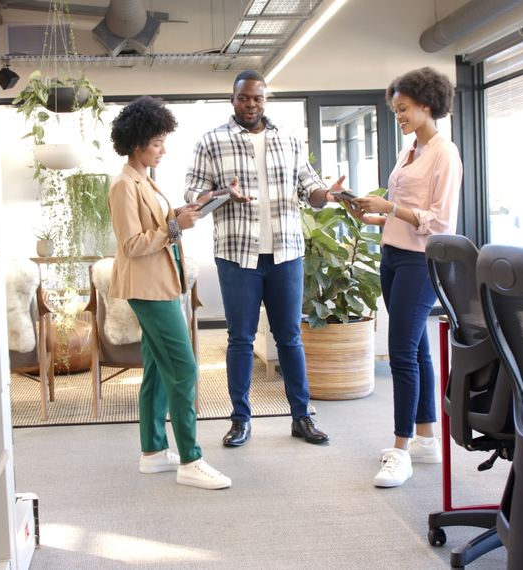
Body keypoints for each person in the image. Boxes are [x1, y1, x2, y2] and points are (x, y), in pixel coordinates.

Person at [185, 70, 346, 448]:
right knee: (239, 339)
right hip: (237, 256)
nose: (251, 104)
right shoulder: (212, 142)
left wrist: (328, 194)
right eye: (244, 98)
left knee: (289, 337)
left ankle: (301, 417)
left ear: (265, 100)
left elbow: (311, 191)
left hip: (286, 253)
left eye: (257, 98)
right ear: (233, 99)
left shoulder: (288, 140)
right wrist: (225, 193)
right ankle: (240, 419)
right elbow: (193, 195)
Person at [344, 67, 462, 488]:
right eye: (395, 111)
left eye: (404, 109)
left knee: (401, 353)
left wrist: (390, 208)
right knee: (417, 351)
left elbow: (441, 221)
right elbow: (402, 211)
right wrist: (373, 213)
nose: (400, 117)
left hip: (419, 261)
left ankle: (400, 449)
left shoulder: (444, 153)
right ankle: (426, 438)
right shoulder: (409, 150)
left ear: (427, 104)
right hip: (393, 255)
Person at [108, 96, 231, 490]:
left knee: (159, 371)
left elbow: (159, 223)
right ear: (137, 141)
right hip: (148, 289)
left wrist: (191, 209)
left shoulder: (144, 180)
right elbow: (132, 244)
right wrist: (176, 227)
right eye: (157, 142)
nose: (163, 149)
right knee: (185, 370)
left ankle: (154, 452)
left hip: (160, 283)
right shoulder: (124, 185)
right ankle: (191, 460)